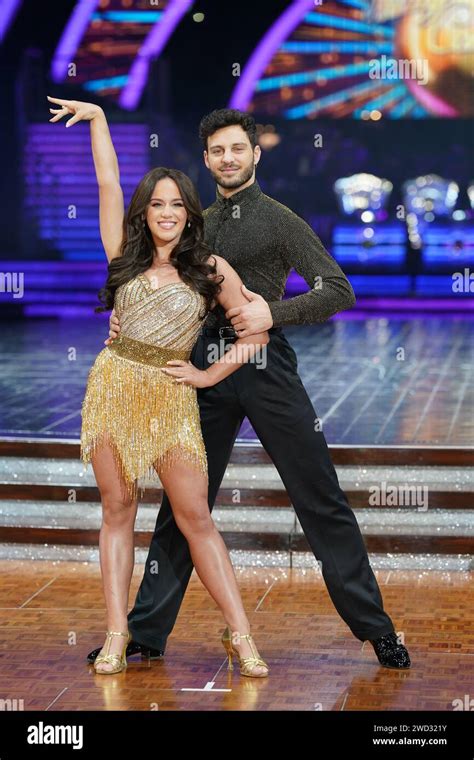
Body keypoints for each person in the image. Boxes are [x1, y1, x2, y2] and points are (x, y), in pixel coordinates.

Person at [90, 108, 411, 670]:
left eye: (238, 149)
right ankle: (143, 632)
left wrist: (273, 312)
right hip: (193, 370)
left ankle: (374, 627)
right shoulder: (193, 221)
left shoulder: (281, 220)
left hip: (265, 368)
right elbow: (143, 275)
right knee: (184, 507)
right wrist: (126, 321)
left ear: (255, 154)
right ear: (208, 158)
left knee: (319, 493)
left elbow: (338, 289)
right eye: (217, 151)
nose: (228, 158)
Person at [47, 96, 270, 677]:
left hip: (171, 398)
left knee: (195, 517)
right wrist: (98, 118)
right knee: (118, 510)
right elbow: (107, 182)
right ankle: (118, 634)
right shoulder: (122, 256)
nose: (165, 212)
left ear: (189, 213)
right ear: (144, 212)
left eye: (176, 204)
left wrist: (204, 374)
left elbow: (256, 334)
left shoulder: (210, 268)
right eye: (156, 204)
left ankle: (242, 635)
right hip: (114, 387)